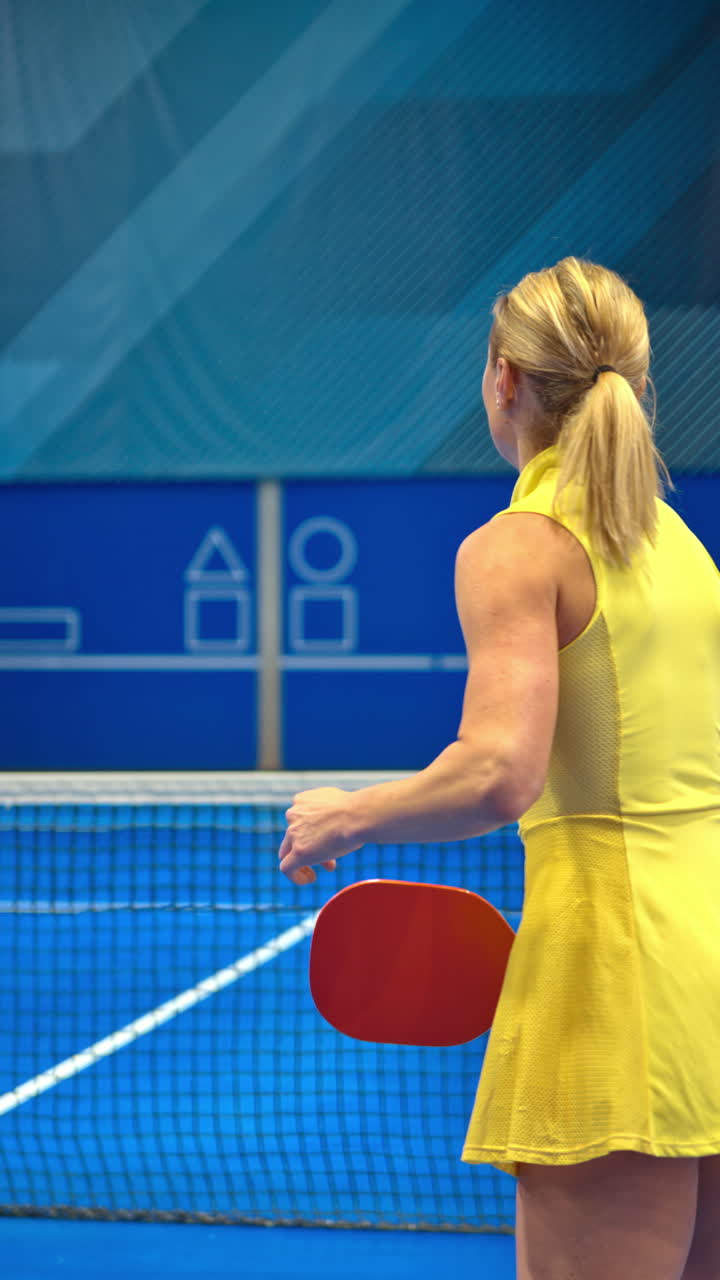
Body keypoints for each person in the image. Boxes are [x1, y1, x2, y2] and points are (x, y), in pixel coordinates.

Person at [278, 257, 720, 1279]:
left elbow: (497, 771)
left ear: (504, 378)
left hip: (615, 978)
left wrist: (349, 815)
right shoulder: (680, 547)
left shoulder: (519, 546)